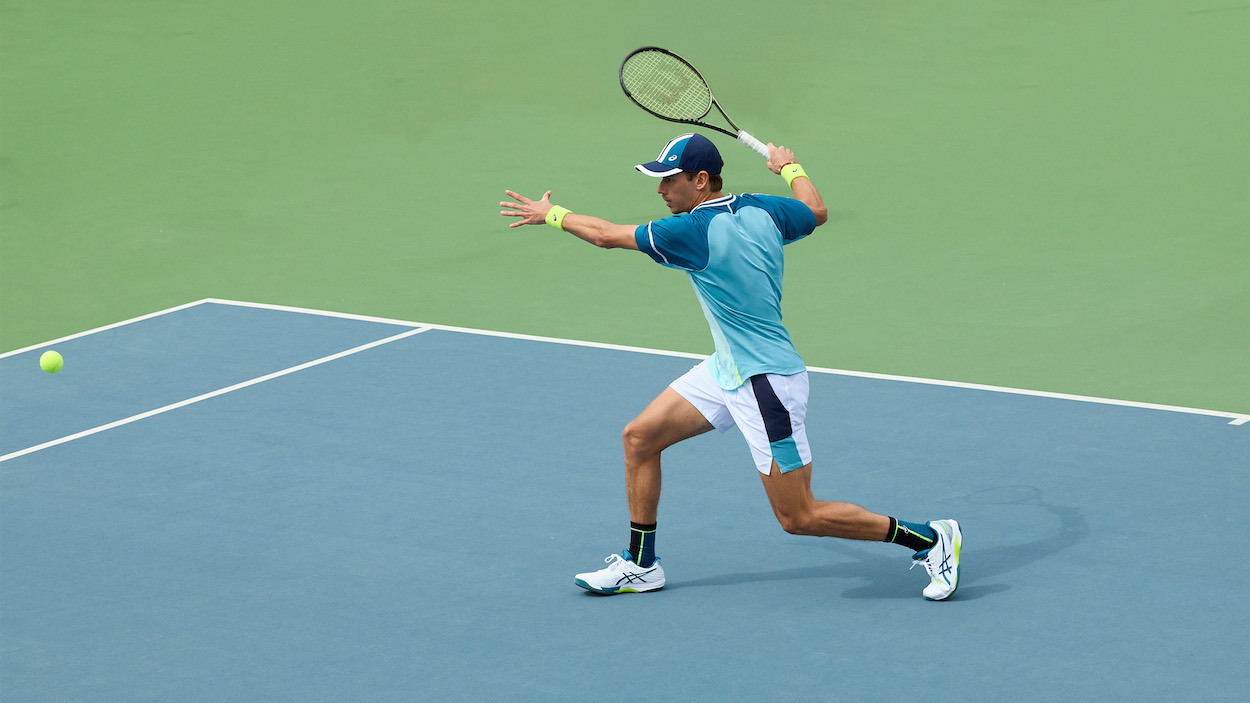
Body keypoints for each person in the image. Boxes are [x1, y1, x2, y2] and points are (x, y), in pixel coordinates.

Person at [499, 132, 962, 600]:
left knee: (798, 517)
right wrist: (790, 168)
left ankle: (930, 538)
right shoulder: (764, 208)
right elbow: (816, 211)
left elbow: (603, 236)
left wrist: (550, 214)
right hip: (728, 369)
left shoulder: (690, 233)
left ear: (701, 181)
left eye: (669, 181)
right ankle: (641, 565)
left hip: (765, 386)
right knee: (639, 438)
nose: (660, 192)